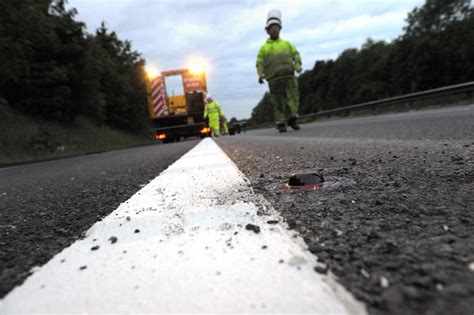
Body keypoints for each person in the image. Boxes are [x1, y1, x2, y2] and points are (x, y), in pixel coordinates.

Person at [256, 9, 302, 133]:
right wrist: (260, 75)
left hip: (289, 78)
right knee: (278, 102)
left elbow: (296, 55)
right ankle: (281, 123)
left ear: (280, 29)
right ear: (267, 30)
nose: (275, 29)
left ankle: (293, 119)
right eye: (272, 28)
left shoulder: (287, 44)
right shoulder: (264, 49)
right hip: (274, 80)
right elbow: (259, 62)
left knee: (293, 99)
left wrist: (297, 65)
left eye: (276, 27)